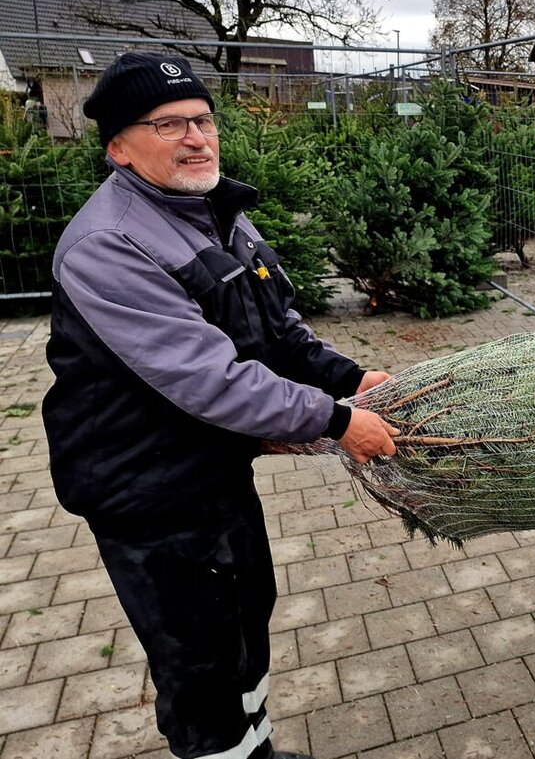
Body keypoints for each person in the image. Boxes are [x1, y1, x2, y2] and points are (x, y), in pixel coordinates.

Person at [42, 52, 400, 759]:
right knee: (200, 661)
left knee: (245, 619)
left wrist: (353, 378)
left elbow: (278, 330)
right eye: (168, 124)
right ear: (118, 146)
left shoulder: (215, 213)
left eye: (203, 118)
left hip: (211, 466)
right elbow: (212, 379)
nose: (196, 136)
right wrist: (337, 421)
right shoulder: (107, 244)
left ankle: (255, 749)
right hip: (146, 489)